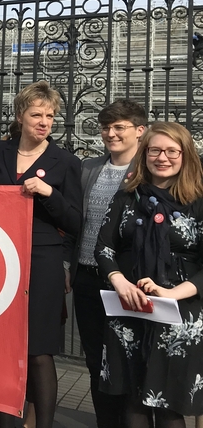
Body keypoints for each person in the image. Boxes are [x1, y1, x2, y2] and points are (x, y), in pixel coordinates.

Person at [0, 81, 82, 428]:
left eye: (51, 116)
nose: (45, 122)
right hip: (2, 255)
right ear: (20, 116)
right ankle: (6, 421)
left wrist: (47, 193)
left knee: (39, 350)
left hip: (43, 259)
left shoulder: (66, 161)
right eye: (37, 114)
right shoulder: (0, 151)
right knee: (3, 344)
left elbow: (74, 220)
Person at [95, 122, 203, 428]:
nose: (162, 157)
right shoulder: (127, 197)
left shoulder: (198, 201)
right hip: (129, 306)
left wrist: (172, 293)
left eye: (171, 151)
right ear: (144, 154)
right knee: (132, 399)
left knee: (169, 404)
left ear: (185, 155)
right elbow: (103, 246)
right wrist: (119, 280)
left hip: (179, 311)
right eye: (154, 150)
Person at [67, 99, 147, 427]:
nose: (110, 134)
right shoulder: (88, 168)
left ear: (140, 131)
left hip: (127, 284)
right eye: (105, 128)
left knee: (129, 362)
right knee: (94, 360)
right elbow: (75, 222)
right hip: (87, 278)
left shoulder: (148, 171)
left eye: (119, 127)